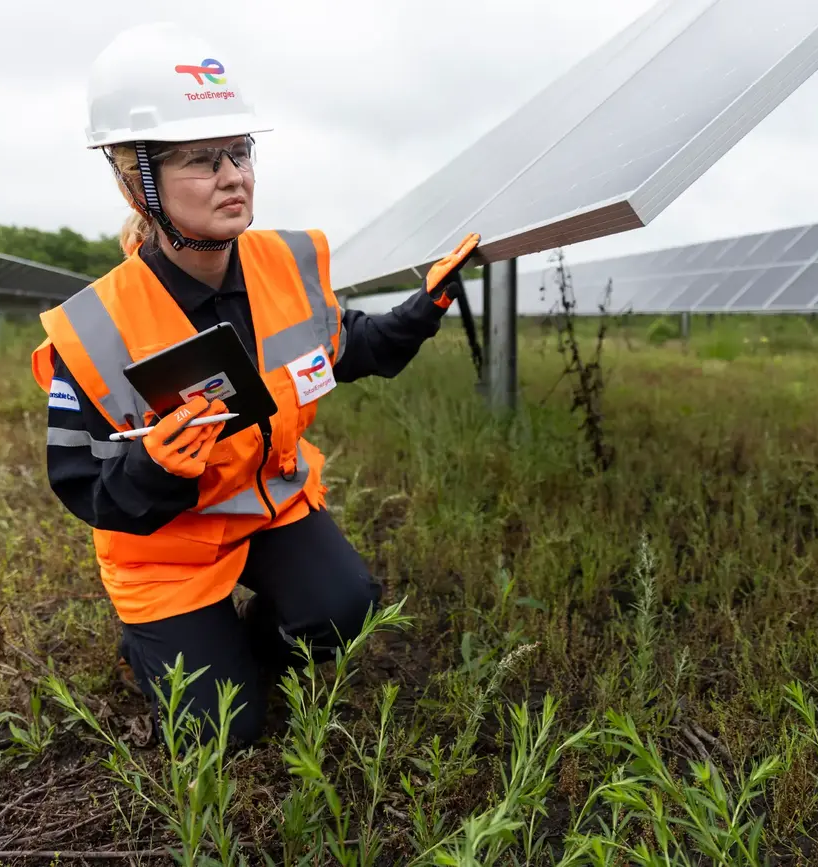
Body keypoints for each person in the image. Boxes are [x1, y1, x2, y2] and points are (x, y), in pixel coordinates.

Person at [29, 21, 480, 747]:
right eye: (203, 161)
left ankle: (241, 649)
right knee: (223, 731)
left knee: (345, 606)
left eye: (239, 152)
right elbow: (85, 487)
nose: (234, 175)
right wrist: (154, 467)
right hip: (166, 549)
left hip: (272, 507)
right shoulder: (95, 328)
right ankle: (155, 649)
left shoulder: (285, 265)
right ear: (138, 182)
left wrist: (419, 312)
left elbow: (340, 348)